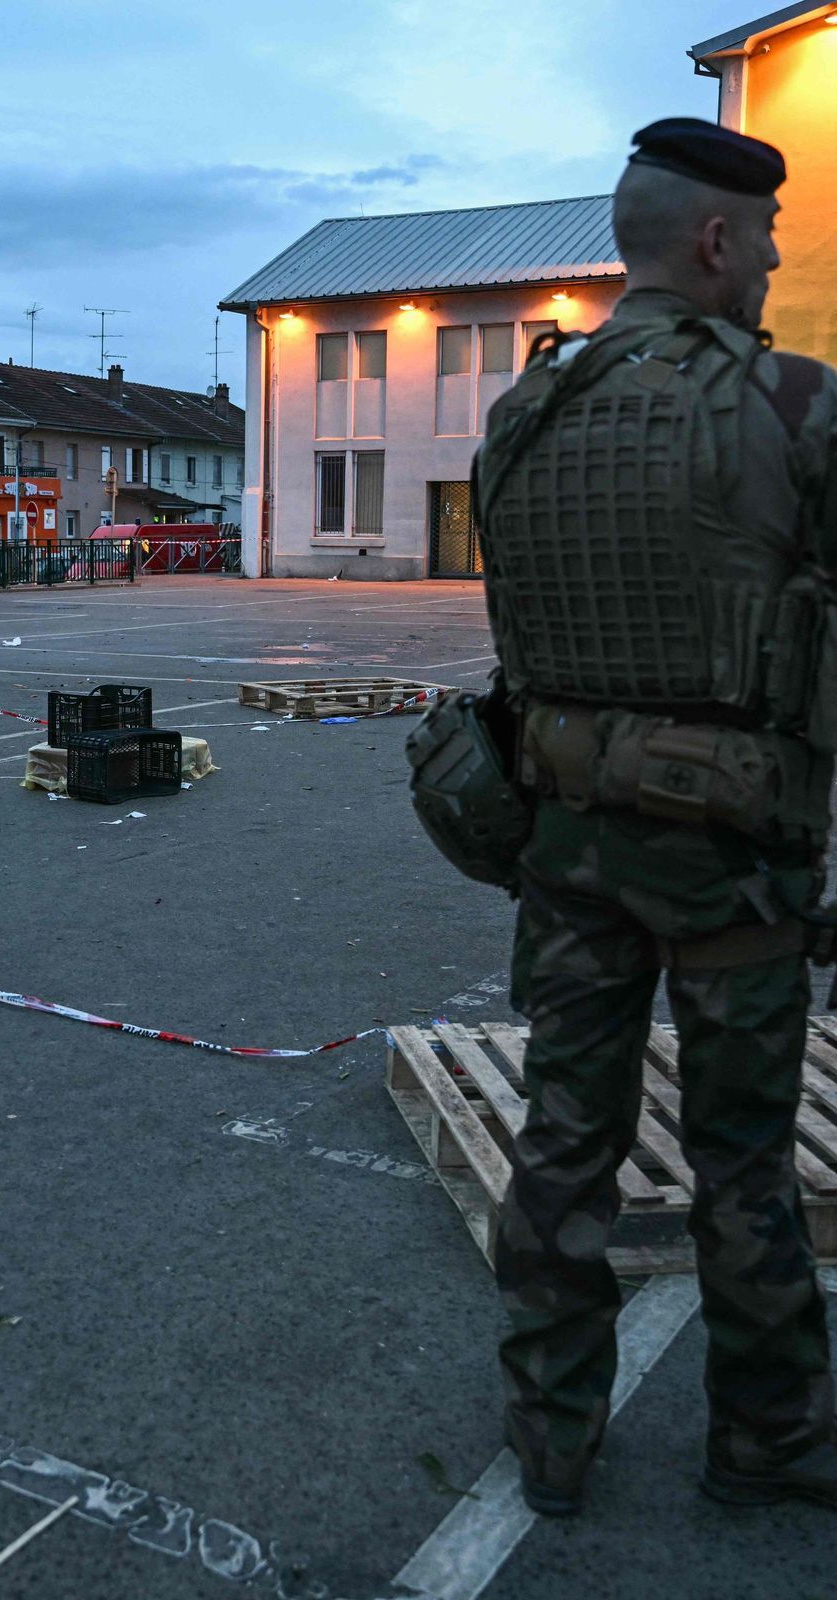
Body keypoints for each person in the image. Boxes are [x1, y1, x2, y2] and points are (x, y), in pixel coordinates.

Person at [474, 117, 837, 1517]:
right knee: (744, 1155)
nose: (778, 258)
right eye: (765, 239)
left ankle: (550, 1435)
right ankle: (769, 1435)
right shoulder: (797, 404)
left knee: (566, 1134)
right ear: (715, 241)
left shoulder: (526, 412)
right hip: (733, 851)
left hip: (565, 838)